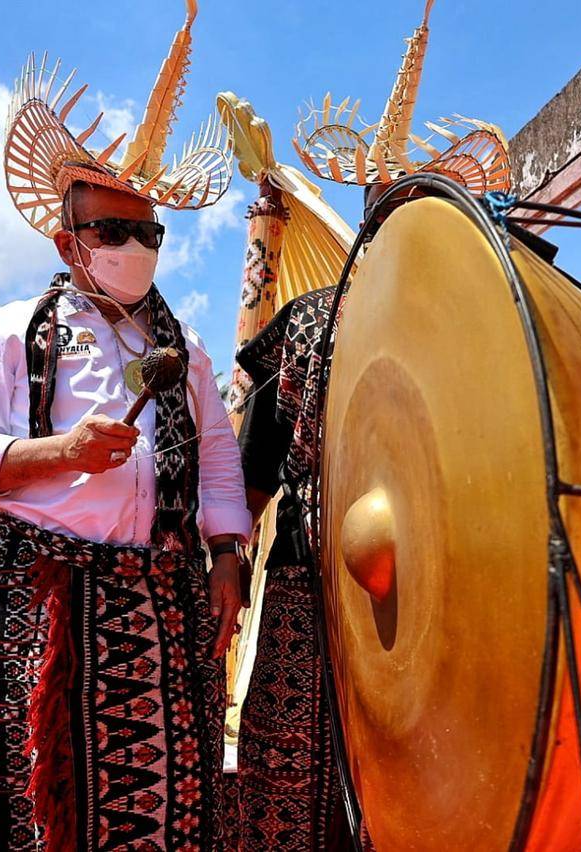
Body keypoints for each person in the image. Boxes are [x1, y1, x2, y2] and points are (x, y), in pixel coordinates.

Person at [0, 7, 250, 849]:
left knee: (173, 795)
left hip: (165, 589)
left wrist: (226, 553)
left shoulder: (184, 346)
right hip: (46, 589)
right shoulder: (8, 331)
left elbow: (217, 453)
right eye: (113, 230)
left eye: (148, 232)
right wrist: (59, 452)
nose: (134, 246)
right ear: (66, 241)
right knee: (40, 799)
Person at [231, 4, 514, 848]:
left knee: (436, 759)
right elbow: (256, 469)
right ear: (365, 216)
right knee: (298, 760)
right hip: (310, 571)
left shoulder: (473, 321)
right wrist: (227, 564)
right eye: (387, 207)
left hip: (451, 575)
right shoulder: (307, 324)